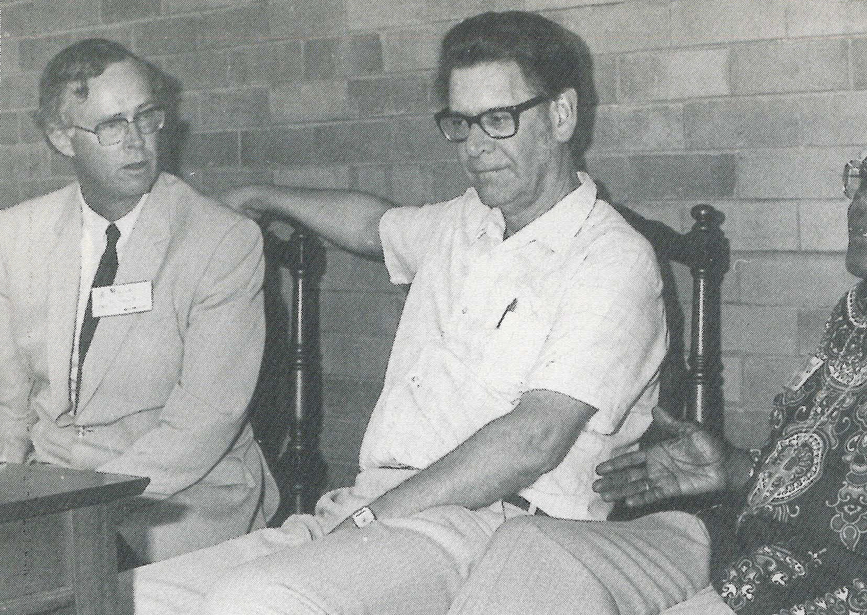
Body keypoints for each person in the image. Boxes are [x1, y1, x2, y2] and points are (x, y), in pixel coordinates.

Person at [127, 10, 666, 615]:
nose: (475, 147)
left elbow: (533, 438)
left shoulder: (612, 258)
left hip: (495, 527)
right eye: (460, 124)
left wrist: (370, 518)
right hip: (376, 509)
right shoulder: (469, 222)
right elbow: (372, 226)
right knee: (134, 598)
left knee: (256, 599)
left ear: (562, 115)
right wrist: (262, 195)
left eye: (498, 120)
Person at [443, 97, 867, 615]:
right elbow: (850, 475)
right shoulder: (854, 316)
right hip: (735, 550)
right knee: (529, 546)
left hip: (843, 593)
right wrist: (733, 468)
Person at [0, 38, 279, 565]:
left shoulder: (221, 240)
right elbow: (7, 402)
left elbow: (206, 418)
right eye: (111, 125)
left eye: (145, 117)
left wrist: (85, 514)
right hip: (53, 486)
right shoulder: (16, 235)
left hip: (178, 495)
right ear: (62, 138)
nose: (136, 142)